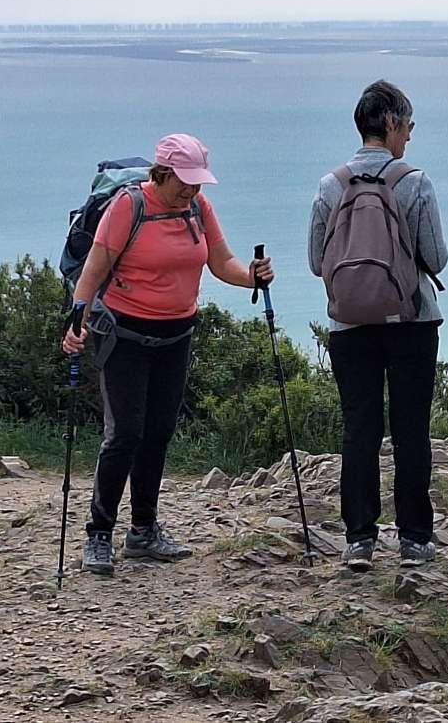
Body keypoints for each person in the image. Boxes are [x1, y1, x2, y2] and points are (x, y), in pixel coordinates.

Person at [62, 133, 274, 577]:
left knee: (157, 433)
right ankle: (99, 534)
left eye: (197, 182)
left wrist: (252, 278)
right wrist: (76, 321)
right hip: (124, 335)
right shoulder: (128, 207)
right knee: (124, 434)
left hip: (177, 335)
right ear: (162, 173)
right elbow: (94, 270)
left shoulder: (199, 208)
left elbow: (221, 262)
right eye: (184, 181)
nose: (191, 190)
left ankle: (143, 530)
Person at [307, 80, 448, 572]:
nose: (409, 134)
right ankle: (414, 539)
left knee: (359, 429)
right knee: (411, 429)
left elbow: (316, 261)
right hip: (411, 319)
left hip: (348, 323)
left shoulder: (330, 185)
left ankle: (359, 540)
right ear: (390, 123)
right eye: (407, 125)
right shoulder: (415, 182)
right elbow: (436, 258)